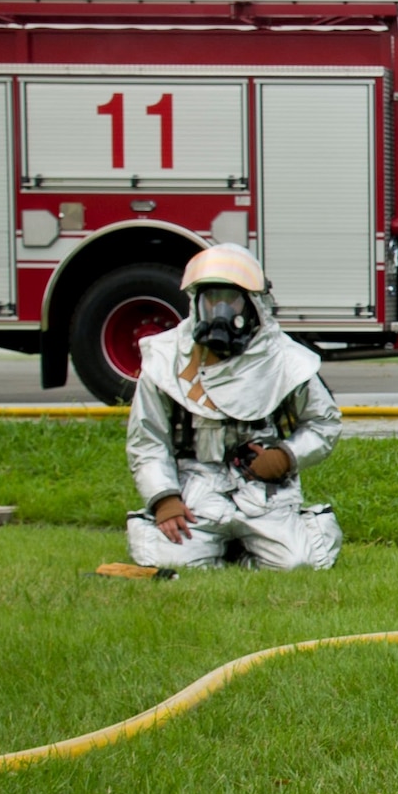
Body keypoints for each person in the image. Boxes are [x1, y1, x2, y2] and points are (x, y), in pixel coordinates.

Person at [124, 244, 343, 571]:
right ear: (197, 303)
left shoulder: (285, 359)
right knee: (166, 560)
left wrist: (286, 456)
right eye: (212, 300)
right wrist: (164, 499)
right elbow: (147, 438)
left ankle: (250, 543)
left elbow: (323, 423)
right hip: (194, 489)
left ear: (253, 305)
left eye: (231, 300)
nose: (221, 311)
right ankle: (218, 544)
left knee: (301, 563)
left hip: (263, 492)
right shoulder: (166, 359)